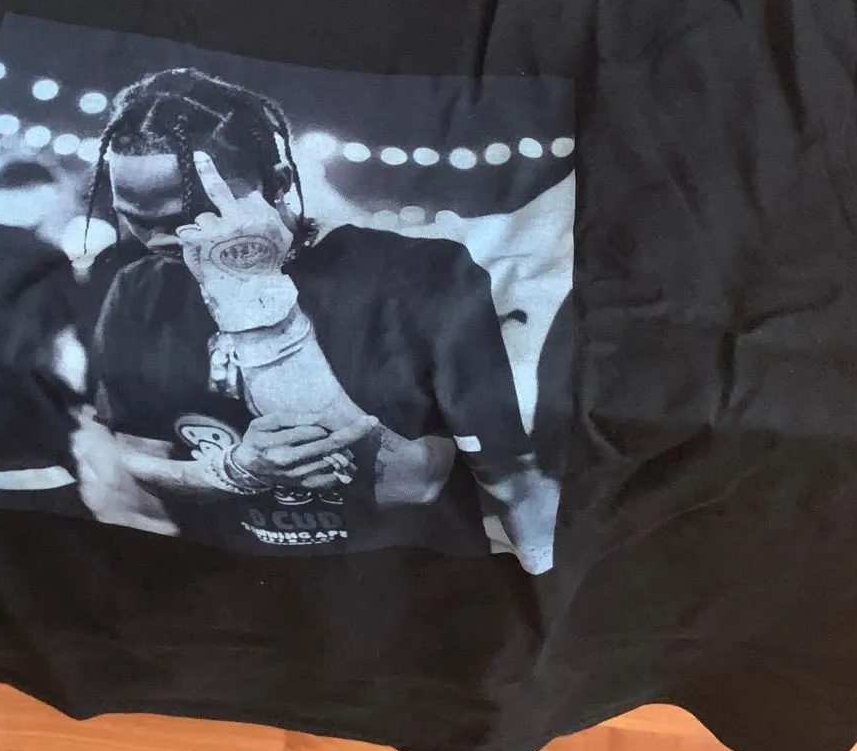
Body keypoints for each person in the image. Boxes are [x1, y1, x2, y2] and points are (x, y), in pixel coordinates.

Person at [80, 67, 557, 563]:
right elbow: (135, 459)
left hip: (407, 582)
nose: (160, 240)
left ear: (278, 183)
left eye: (186, 217)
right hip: (234, 584)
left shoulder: (420, 274)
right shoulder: (138, 289)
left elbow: (420, 482)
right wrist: (233, 471)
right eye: (135, 219)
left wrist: (256, 304)